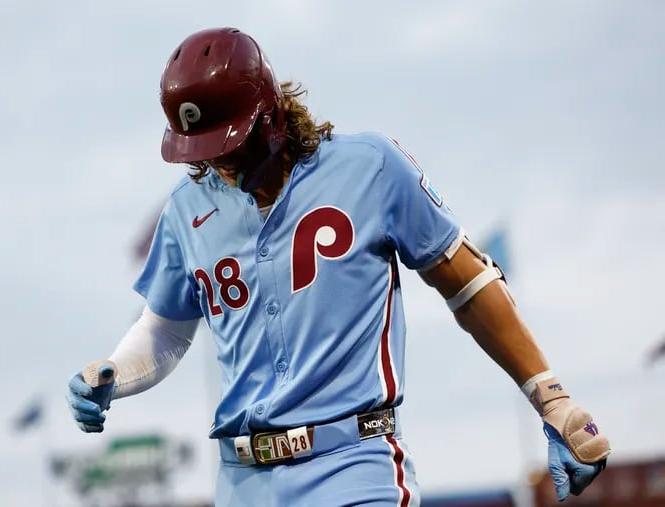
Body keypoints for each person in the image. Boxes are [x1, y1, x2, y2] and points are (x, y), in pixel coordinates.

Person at [66, 27, 610, 507]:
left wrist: (551, 399)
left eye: (228, 143)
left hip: (355, 468)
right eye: (204, 151)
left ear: (271, 114)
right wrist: (113, 372)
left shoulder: (369, 166)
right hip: (241, 483)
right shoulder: (187, 210)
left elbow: (466, 282)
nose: (219, 163)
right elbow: (164, 330)